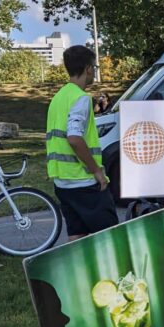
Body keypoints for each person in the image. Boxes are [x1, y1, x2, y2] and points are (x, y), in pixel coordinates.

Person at [46, 45, 118, 241]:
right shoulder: (81, 99)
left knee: (77, 236)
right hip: (84, 181)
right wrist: (97, 171)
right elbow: (75, 139)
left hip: (62, 181)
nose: (94, 71)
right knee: (110, 237)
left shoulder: (58, 98)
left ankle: (81, 272)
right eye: (94, 67)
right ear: (88, 68)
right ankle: (113, 271)